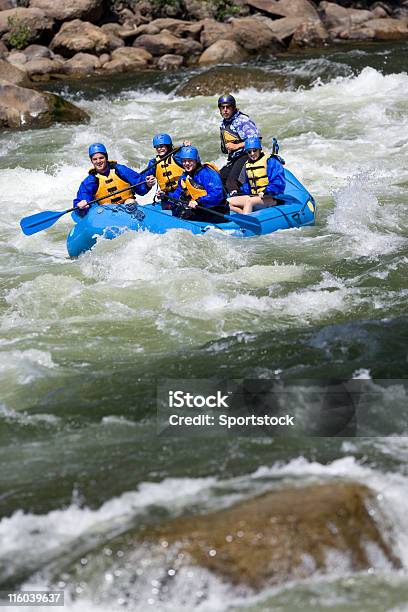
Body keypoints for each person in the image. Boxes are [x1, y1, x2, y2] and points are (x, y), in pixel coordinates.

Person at [161, 145, 228, 222]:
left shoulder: (207, 173)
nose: (186, 163)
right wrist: (165, 195)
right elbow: (177, 194)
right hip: (199, 208)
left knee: (185, 214)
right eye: (184, 161)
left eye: (190, 161)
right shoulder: (184, 176)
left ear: (196, 160)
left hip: (215, 209)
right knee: (177, 209)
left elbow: (216, 194)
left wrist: (198, 202)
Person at [74, 143, 145, 213]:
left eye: (101, 158)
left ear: (106, 157)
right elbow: (81, 201)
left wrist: (148, 184)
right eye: (95, 159)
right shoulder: (90, 181)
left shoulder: (120, 170)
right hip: (107, 212)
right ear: (91, 161)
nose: (98, 161)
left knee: (130, 202)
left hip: (128, 206)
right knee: (105, 206)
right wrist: (80, 206)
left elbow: (141, 187)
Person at [228, 136, 286, 215]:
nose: (252, 154)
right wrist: (239, 192)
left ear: (259, 149)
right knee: (228, 202)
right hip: (255, 197)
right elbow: (248, 185)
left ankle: (245, 223)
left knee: (250, 202)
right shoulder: (248, 164)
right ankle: (243, 216)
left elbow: (278, 182)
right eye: (249, 152)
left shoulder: (270, 161)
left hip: (271, 197)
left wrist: (266, 192)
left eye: (254, 150)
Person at [218, 94, 261, 194]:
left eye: (228, 107)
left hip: (247, 155)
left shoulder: (243, 120)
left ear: (233, 108)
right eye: (222, 107)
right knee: (218, 178)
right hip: (234, 158)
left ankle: (240, 204)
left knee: (231, 183)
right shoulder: (224, 123)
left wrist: (237, 146)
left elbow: (256, 139)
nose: (225, 110)